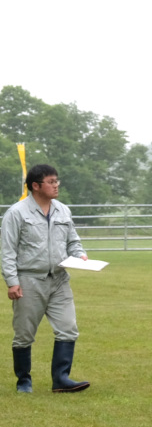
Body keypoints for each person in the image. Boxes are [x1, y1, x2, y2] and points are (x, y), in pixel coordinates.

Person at [3, 164, 91, 393]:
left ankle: (61, 380)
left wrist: (79, 254)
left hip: (60, 280)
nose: (56, 185)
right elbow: (7, 250)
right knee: (23, 334)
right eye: (51, 182)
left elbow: (73, 240)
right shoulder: (17, 213)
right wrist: (12, 281)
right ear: (36, 186)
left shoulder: (63, 210)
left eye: (56, 181)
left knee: (68, 328)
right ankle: (24, 381)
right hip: (29, 281)